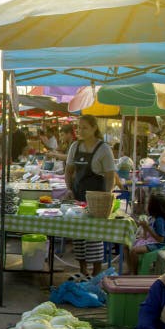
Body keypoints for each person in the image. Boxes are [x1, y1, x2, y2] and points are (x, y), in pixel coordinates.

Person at [65, 115, 117, 277]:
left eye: (84, 127)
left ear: (94, 128)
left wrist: (106, 196)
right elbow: (69, 171)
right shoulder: (75, 146)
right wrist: (69, 189)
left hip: (97, 198)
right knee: (78, 235)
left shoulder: (103, 149)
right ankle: (82, 270)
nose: (80, 130)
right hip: (78, 195)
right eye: (78, 127)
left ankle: (95, 272)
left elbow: (110, 175)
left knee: (93, 237)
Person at [127, 193, 165, 274]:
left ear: (154, 207)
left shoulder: (159, 220)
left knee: (133, 251)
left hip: (158, 244)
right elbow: (145, 235)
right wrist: (144, 227)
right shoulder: (152, 218)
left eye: (148, 203)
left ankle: (134, 274)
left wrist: (147, 228)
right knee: (126, 246)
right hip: (150, 240)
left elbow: (160, 239)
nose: (147, 205)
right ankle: (131, 270)